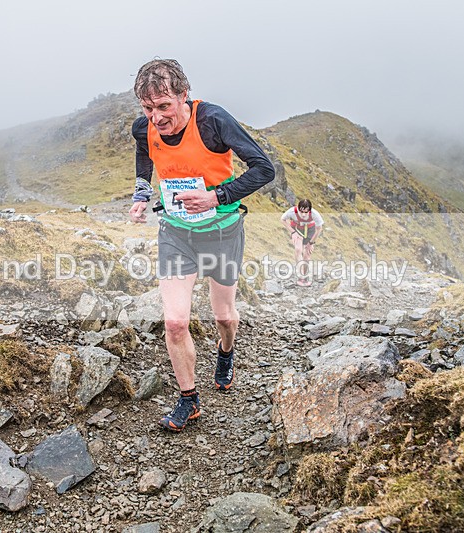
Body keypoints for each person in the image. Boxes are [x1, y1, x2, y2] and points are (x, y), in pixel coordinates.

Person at [129, 59, 275, 432]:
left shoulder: (212, 121)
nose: (157, 118)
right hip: (176, 234)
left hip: (222, 231)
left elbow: (264, 169)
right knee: (175, 322)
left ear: (184, 96)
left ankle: (226, 351)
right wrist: (142, 193)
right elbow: (145, 154)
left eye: (164, 106)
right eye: (148, 108)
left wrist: (216, 197)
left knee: (223, 316)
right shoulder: (143, 128)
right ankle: (188, 400)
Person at [280, 199, 324, 286]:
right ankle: (301, 276)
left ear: (310, 210)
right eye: (301, 212)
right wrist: (293, 232)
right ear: (298, 208)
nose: (303, 214)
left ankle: (305, 276)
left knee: (306, 255)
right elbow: (282, 220)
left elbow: (319, 229)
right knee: (298, 249)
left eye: (306, 212)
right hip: (297, 229)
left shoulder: (315, 214)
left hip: (310, 230)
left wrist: (311, 243)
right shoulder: (292, 211)